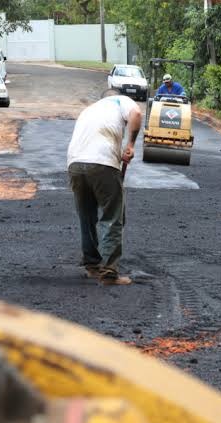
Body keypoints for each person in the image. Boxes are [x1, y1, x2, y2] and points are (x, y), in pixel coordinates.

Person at [66, 94, 142, 285]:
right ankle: (109, 273)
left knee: (86, 215)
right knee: (112, 216)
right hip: (102, 162)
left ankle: (92, 266)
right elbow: (137, 114)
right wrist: (130, 145)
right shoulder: (122, 102)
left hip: (75, 163)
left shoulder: (90, 110)